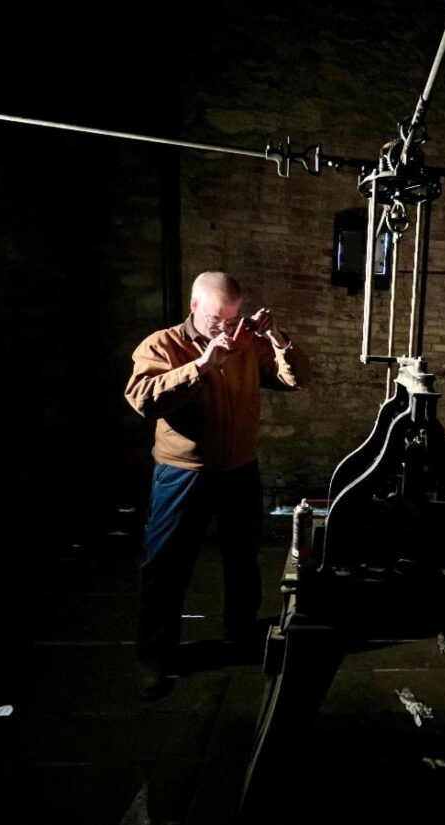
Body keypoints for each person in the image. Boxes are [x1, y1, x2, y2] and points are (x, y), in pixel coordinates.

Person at [125, 271, 309, 699]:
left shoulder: (246, 344)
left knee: (243, 559)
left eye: (233, 319)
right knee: (166, 565)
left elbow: (295, 378)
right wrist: (202, 365)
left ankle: (240, 634)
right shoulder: (162, 345)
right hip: (182, 473)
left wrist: (278, 338)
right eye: (215, 320)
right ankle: (155, 656)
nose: (225, 329)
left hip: (239, 469)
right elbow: (143, 399)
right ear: (194, 307)